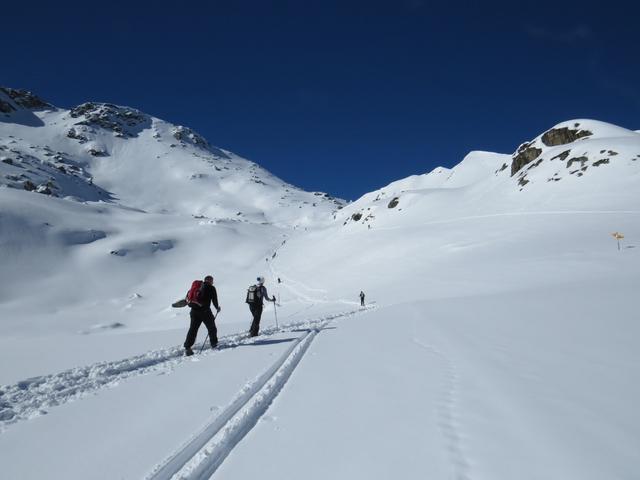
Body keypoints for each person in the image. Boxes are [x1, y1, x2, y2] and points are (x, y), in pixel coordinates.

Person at [184, 275, 220, 356]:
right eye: (212, 280)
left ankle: (187, 347)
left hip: (194, 311)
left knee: (193, 329)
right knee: (212, 328)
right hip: (205, 312)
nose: (213, 282)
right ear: (210, 281)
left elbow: (187, 299)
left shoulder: (195, 287)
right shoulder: (211, 288)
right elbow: (214, 300)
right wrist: (217, 308)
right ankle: (214, 344)